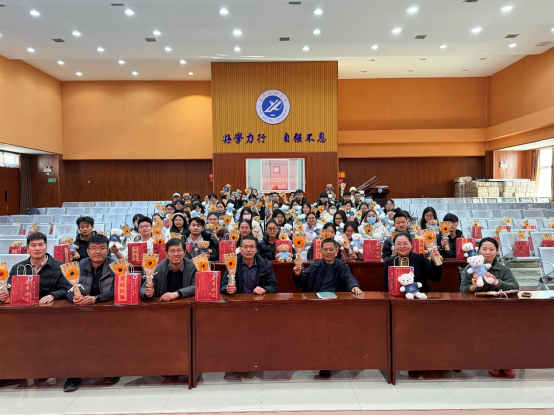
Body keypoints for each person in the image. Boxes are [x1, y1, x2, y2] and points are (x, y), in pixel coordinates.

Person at [293, 237, 363, 379]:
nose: (329, 252)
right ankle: (323, 363)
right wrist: (298, 274)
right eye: (326, 249)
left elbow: (349, 278)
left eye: (331, 249)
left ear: (337, 250)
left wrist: (354, 286)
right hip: (318, 305)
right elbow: (301, 283)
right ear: (321, 251)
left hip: (336, 305)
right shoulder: (315, 265)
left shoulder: (342, 266)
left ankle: (331, 361)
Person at [64, 233, 117, 393]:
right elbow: (67, 288)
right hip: (82, 312)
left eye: (102, 248)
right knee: (71, 337)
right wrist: (74, 297)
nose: (97, 252)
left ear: (108, 250)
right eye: (93, 248)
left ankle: (111, 369)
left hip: (107, 311)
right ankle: (73, 375)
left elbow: (118, 290)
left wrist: (96, 299)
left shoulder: (116, 265)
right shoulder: (79, 265)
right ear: (87, 251)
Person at [460, 237, 519, 379]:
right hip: (477, 309)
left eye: (491, 249)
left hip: (499, 309)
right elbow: (462, 290)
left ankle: (506, 362)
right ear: (479, 251)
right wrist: (473, 286)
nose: (488, 252)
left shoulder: (502, 269)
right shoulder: (470, 268)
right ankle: (493, 362)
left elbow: (515, 287)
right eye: (484, 249)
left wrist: (497, 282)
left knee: (507, 329)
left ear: (497, 251)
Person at [1, 232, 71, 305]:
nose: (37, 248)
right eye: (33, 245)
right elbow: (9, 289)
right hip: (24, 308)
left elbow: (67, 289)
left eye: (40, 245)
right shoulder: (17, 268)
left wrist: (53, 295)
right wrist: (4, 295)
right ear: (27, 249)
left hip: (49, 307)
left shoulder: (61, 267)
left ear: (46, 247)